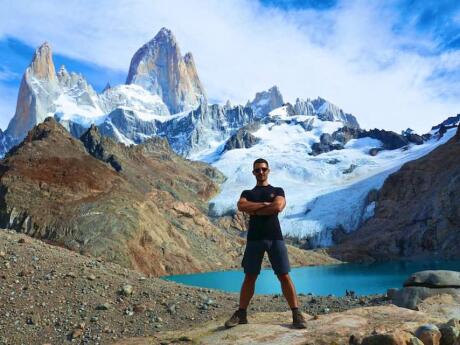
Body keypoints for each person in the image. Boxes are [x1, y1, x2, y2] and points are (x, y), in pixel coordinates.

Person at [224, 158, 308, 329]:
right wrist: (264, 205)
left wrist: (254, 209)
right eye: (257, 170)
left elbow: (277, 207)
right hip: (254, 239)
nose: (260, 172)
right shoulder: (247, 192)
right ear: (253, 173)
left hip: (275, 238)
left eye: (263, 169)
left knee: (284, 275)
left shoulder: (278, 190)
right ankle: (241, 313)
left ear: (268, 170)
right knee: (250, 276)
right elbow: (241, 206)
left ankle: (296, 313)